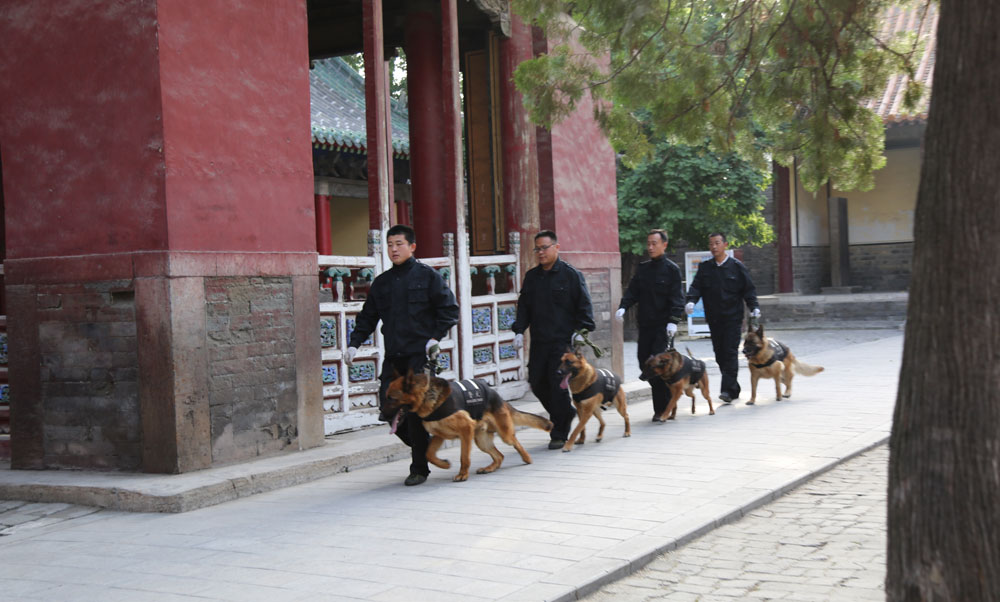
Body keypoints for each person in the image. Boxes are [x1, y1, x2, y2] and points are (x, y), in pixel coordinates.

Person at [346, 224, 459, 486]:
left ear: (412, 246)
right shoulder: (382, 283)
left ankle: (419, 468)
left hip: (419, 358)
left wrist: (435, 338)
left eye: (399, 244)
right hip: (394, 358)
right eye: (390, 245)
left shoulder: (428, 277)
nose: (394, 249)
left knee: (415, 412)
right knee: (388, 409)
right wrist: (354, 344)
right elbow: (367, 317)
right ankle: (426, 447)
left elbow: (449, 310)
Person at [512, 230, 596, 449]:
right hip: (540, 341)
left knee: (557, 386)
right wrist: (519, 330)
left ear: (556, 248)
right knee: (537, 383)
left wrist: (582, 329)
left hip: (562, 343)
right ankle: (565, 413)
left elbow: (584, 305)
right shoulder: (532, 277)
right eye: (537, 249)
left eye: (544, 248)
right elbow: (524, 307)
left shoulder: (571, 275)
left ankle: (559, 432)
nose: (540, 253)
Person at [615, 229, 686, 422]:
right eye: (648, 243)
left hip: (663, 327)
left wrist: (673, 321)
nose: (650, 247)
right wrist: (623, 306)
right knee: (643, 363)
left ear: (664, 245)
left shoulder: (672, 270)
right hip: (645, 326)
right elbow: (633, 291)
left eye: (654, 243)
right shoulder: (643, 269)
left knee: (657, 364)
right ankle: (668, 400)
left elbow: (677, 297)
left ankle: (661, 409)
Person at [685, 232, 760, 403]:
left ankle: (726, 390)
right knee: (719, 354)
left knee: (730, 352)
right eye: (711, 244)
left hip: (733, 318)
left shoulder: (736, 267)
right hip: (714, 318)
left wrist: (754, 306)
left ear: (725, 245)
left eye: (717, 243)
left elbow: (749, 289)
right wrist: (691, 301)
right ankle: (734, 387)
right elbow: (696, 287)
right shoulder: (705, 268)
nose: (714, 247)